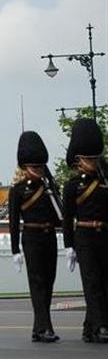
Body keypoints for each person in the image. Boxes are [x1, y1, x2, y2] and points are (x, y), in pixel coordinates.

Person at [9, 131, 60, 342]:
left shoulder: (48, 187)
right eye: (35, 167)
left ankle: (38, 328)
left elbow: (60, 216)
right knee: (37, 283)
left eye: (41, 167)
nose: (39, 171)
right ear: (25, 168)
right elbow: (13, 221)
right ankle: (44, 327)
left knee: (49, 283)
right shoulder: (18, 191)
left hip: (49, 237)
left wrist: (52, 189)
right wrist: (15, 250)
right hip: (31, 238)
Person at [62, 118, 108, 343]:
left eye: (95, 158)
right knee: (92, 282)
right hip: (84, 237)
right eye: (89, 158)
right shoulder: (72, 186)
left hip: (104, 235)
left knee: (104, 281)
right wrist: (69, 245)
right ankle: (101, 326)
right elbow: (68, 217)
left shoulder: (105, 181)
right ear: (79, 159)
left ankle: (90, 327)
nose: (93, 162)